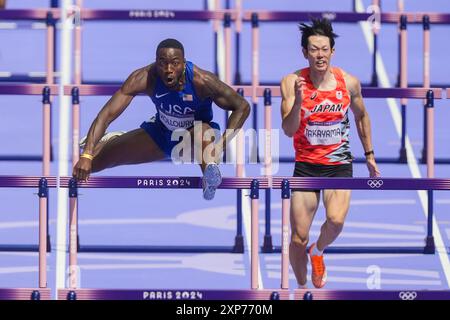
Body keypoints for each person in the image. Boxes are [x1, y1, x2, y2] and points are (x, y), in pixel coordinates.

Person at [73, 38, 250, 200]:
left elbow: (242, 107)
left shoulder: (202, 81)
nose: (168, 70)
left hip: (192, 139)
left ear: (184, 62)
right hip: (159, 134)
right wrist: (87, 155)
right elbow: (107, 114)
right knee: (91, 166)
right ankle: (112, 141)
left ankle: (210, 173)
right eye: (162, 63)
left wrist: (221, 145)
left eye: (174, 63)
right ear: (156, 62)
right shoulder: (144, 77)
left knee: (203, 132)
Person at [280, 18, 380, 289]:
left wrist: (369, 155)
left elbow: (361, 117)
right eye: (314, 49)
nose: (319, 55)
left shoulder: (348, 83)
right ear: (305, 52)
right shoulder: (292, 82)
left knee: (335, 221)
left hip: (338, 164)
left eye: (324, 49)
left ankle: (319, 251)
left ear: (332, 51)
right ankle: (301, 289)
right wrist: (299, 103)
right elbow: (288, 130)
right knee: (297, 239)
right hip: (306, 164)